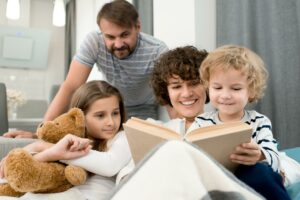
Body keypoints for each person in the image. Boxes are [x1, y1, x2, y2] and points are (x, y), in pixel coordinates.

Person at [3, 0, 168, 138]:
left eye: (124, 35)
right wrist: (40, 133)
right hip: (108, 107)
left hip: (143, 110)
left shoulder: (157, 50)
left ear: (138, 27)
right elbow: (71, 86)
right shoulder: (94, 42)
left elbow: (169, 95)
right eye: (110, 37)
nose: (118, 44)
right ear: (101, 32)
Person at [1, 80, 132, 200]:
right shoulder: (68, 138)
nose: (110, 122)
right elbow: (25, 167)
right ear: (80, 117)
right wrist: (40, 150)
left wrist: (49, 149)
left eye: (115, 113)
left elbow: (109, 166)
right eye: (100, 115)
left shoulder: (122, 137)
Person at [195, 44, 290, 200]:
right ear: (208, 88)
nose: (225, 95)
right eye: (217, 88)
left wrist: (259, 155)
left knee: (261, 173)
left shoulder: (258, 121)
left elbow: (275, 159)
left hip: (248, 178)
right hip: (214, 180)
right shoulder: (201, 122)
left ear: (251, 90)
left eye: (236, 89)